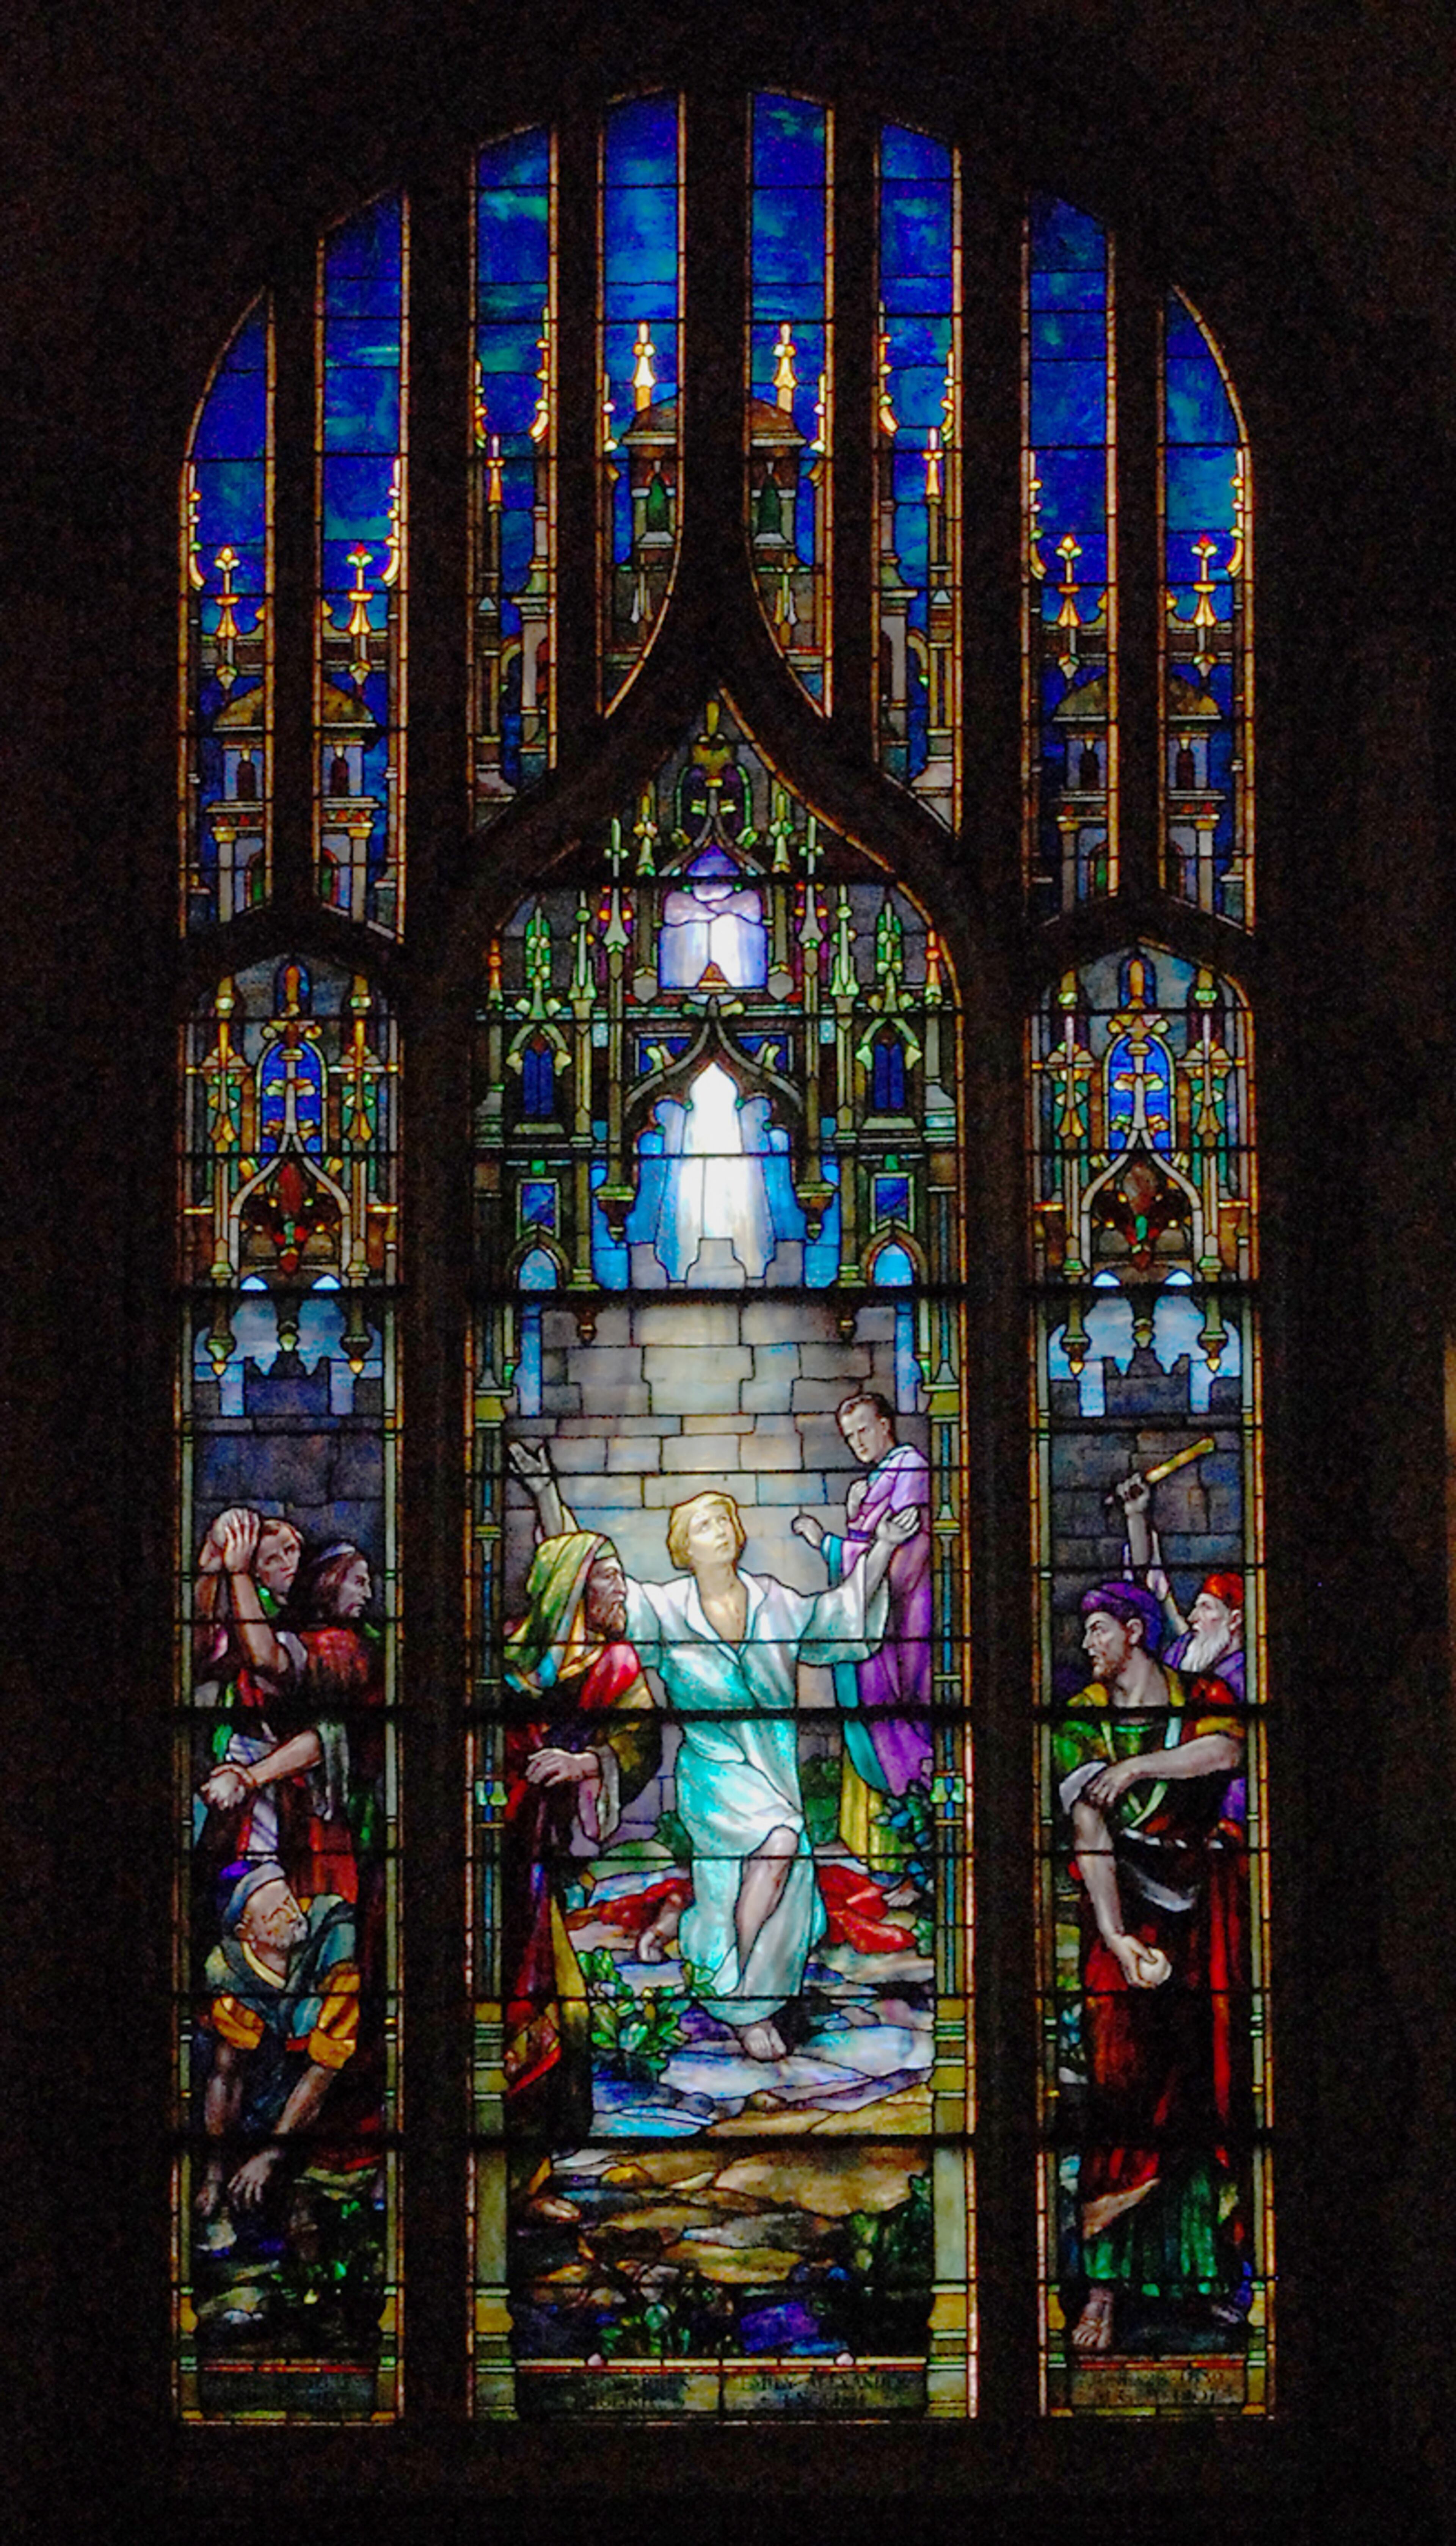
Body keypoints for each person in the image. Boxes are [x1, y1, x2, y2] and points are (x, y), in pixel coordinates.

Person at [509, 1442, 918, 2061]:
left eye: (725, 1519)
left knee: (778, 1889)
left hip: (773, 1766)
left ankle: (739, 1990)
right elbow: (581, 1573)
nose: (719, 1530)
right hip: (713, 1772)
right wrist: (545, 1493)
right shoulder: (663, 1609)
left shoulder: (777, 1602)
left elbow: (844, 1621)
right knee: (777, 1846)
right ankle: (741, 1996)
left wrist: (883, 1546)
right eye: (704, 1523)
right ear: (684, 1547)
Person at [1054, 1578, 1248, 2356]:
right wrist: (1115, 1934)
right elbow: (1089, 1831)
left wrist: (1140, 1768)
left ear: (1134, 1630)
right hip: (1124, 1917)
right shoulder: (1078, 1722)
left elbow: (1227, 1748)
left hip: (1206, 1915)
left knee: (1205, 2085)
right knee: (1120, 2087)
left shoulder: (1200, 1694)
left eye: (1098, 1629)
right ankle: (1103, 2286)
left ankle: (1210, 2280)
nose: (1087, 1645)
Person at [501, 1530, 660, 2146]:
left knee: (556, 2004)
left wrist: (584, 1765)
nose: (621, 1585)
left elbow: (638, 1739)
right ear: (574, 1587)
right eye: (609, 1574)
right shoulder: (509, 1656)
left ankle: (532, 2167)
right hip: (490, 1843)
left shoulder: (616, 1666)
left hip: (543, 1849)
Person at [197, 1517, 383, 1908]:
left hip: (314, 1817)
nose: (288, 1563)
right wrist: (213, 1565)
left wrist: (248, 1778)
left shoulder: (343, 1644)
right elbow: (201, 1651)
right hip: (251, 1807)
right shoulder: (260, 1621)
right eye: (270, 1558)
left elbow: (269, 1661)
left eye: (292, 1550)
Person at [792, 1390, 932, 1862]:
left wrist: (828, 1543)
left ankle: (912, 1859)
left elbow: (904, 1559)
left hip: (897, 1627)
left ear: (887, 1424)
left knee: (895, 1726)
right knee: (872, 1731)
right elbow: (875, 1551)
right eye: (849, 1437)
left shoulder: (909, 1467)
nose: (858, 1443)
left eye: (864, 1430)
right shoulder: (878, 1479)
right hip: (871, 1629)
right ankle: (884, 1857)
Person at [194, 1860, 359, 2231]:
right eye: (274, 1915)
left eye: (289, 1900)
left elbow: (327, 2064)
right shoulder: (228, 1972)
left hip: (337, 2081)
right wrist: (214, 2175)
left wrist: (272, 2151)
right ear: (246, 1932)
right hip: (268, 2083)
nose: (291, 1916)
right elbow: (227, 2074)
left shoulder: (333, 1930)